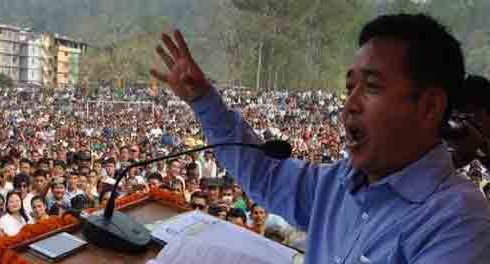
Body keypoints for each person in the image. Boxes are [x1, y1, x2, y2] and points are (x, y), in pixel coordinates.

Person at [151, 15, 490, 263]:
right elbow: (263, 173)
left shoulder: (460, 222)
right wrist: (204, 100)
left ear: (429, 107)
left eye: (371, 87)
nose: (349, 106)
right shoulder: (336, 184)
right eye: (349, 88)